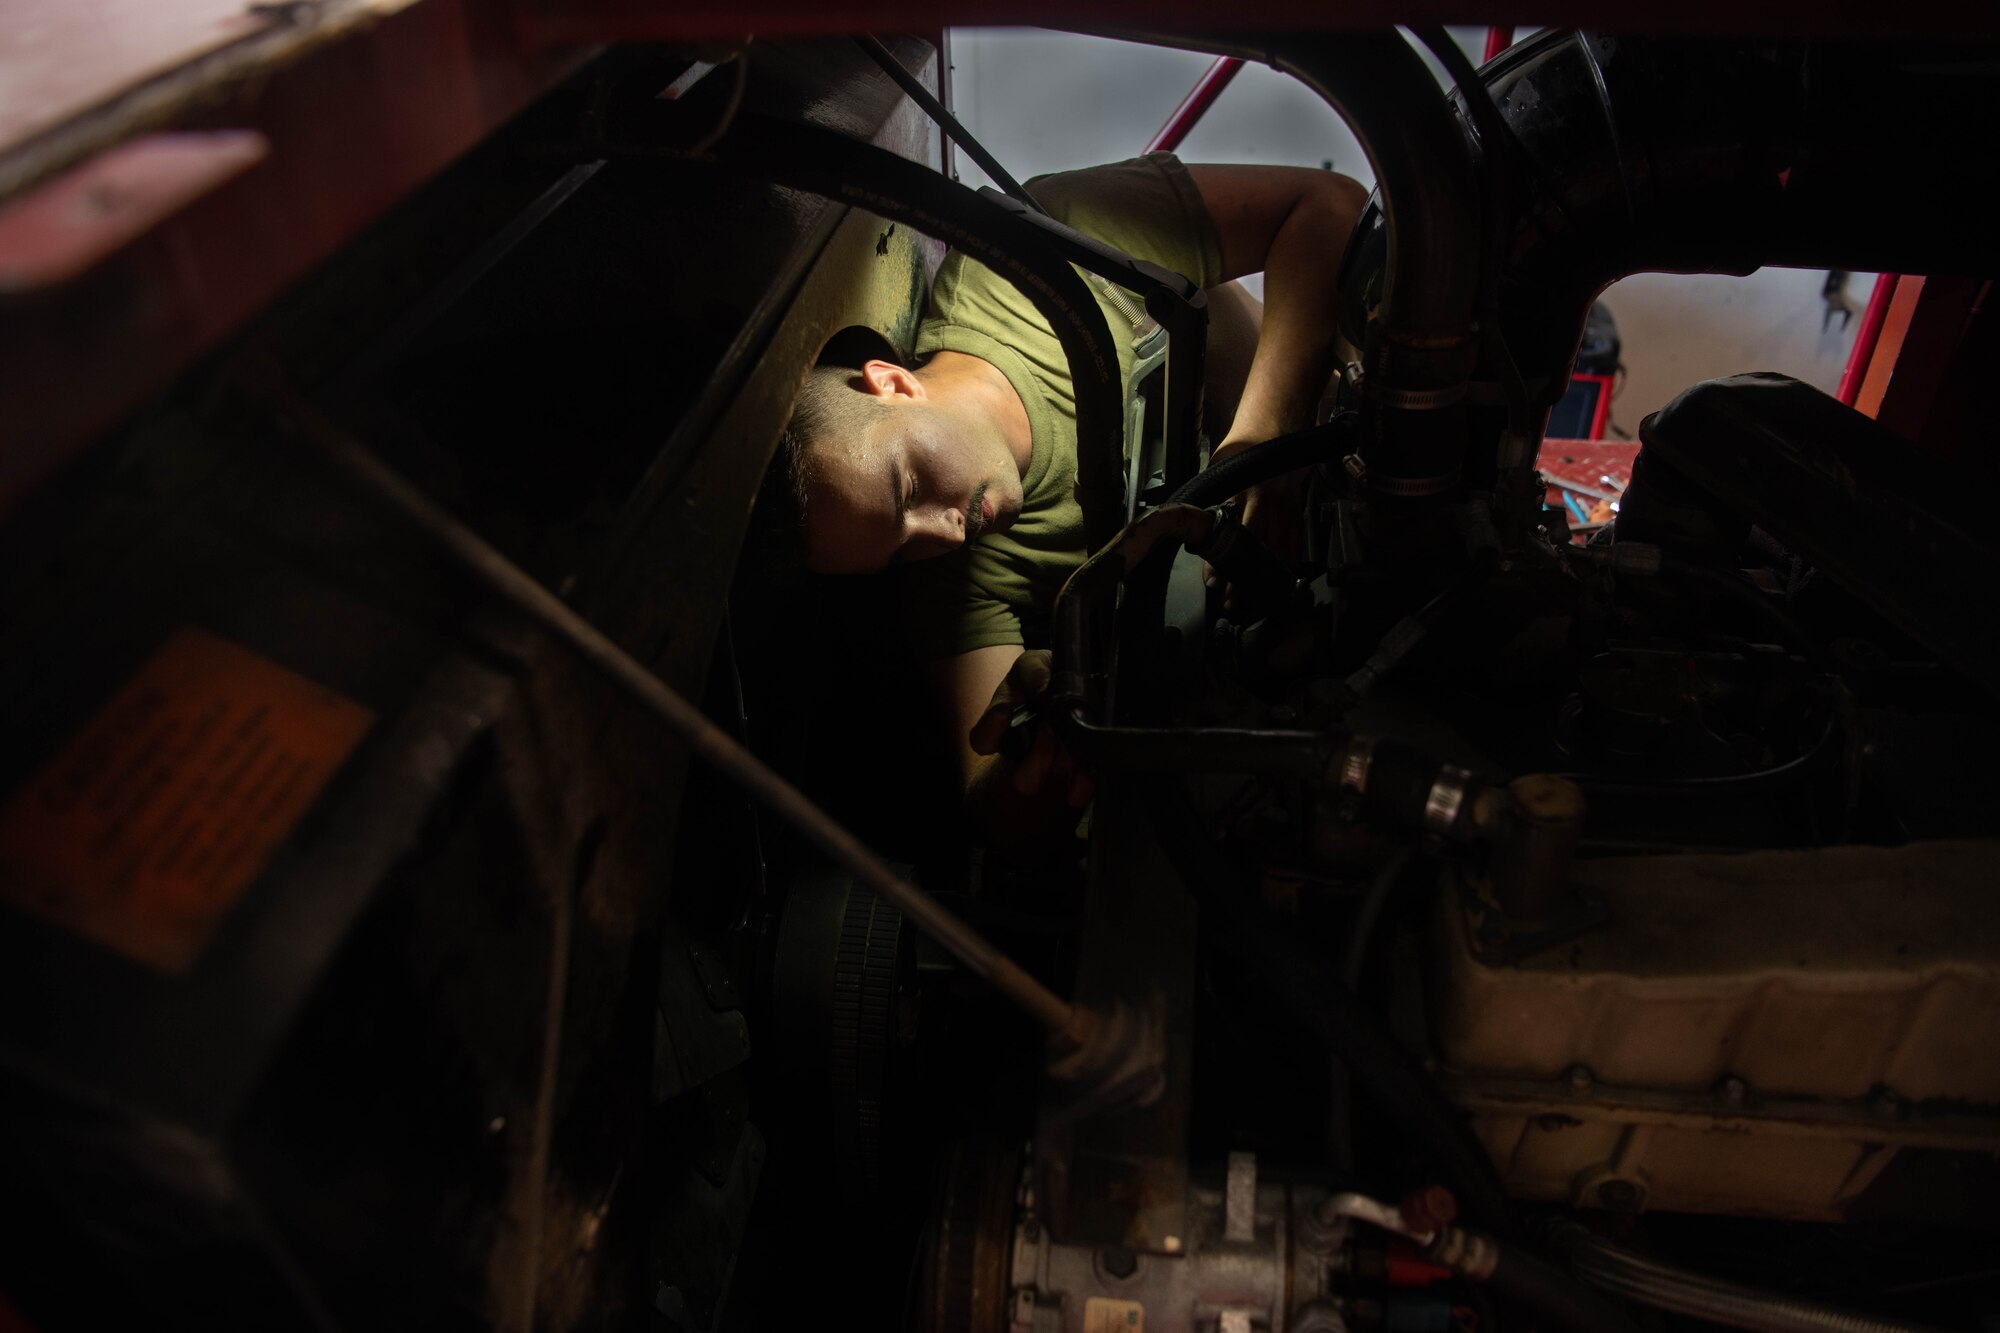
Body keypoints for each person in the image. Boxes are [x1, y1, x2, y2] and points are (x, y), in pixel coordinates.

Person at [772, 153, 1366, 842]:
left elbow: (1328, 203)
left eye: (907, 487)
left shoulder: (1042, 244)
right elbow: (993, 806)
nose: (948, 530)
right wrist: (1039, 754)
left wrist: (1264, 447)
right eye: (902, 547)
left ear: (893, 383)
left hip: (1354, 461)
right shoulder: (946, 576)